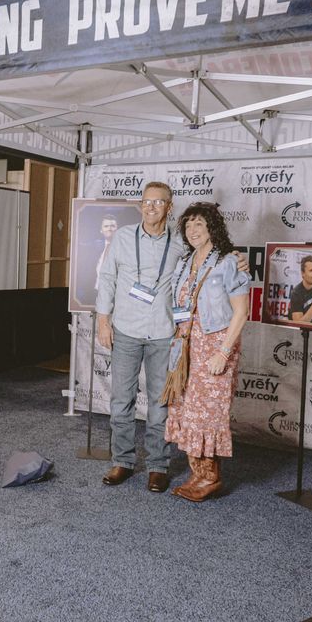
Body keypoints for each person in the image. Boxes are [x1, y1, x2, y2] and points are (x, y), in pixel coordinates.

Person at [95, 182, 188, 493]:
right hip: (126, 329)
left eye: (158, 202)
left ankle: (158, 466)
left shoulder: (181, 242)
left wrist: (238, 260)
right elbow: (107, 278)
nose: (150, 207)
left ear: (169, 207)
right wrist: (103, 320)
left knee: (160, 404)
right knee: (121, 400)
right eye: (146, 202)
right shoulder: (123, 237)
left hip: (163, 333)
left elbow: (204, 266)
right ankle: (122, 460)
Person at [164, 203, 250, 501]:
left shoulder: (229, 262)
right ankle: (197, 473)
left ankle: (211, 478)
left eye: (199, 224)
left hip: (214, 346)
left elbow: (241, 313)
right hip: (185, 344)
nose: (193, 230)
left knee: (209, 413)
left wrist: (223, 353)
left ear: (212, 227)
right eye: (188, 226)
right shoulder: (184, 263)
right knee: (187, 409)